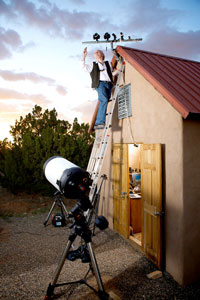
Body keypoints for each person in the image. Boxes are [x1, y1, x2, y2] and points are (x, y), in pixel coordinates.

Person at [81, 47, 118, 129]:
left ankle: (99, 121)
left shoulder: (108, 64)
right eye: (95, 53)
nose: (97, 54)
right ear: (95, 57)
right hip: (99, 84)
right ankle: (99, 123)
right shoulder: (93, 65)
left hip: (108, 84)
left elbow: (111, 74)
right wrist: (84, 56)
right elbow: (83, 67)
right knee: (103, 99)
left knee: (105, 100)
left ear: (102, 55)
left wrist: (117, 72)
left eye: (98, 52)